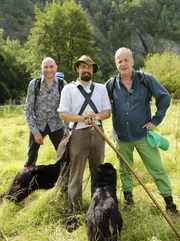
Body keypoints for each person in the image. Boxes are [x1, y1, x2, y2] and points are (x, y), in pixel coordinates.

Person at [106, 47, 178, 214]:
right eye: (120, 61)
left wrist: (155, 120)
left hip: (143, 135)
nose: (123, 64)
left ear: (132, 61)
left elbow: (165, 97)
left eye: (126, 60)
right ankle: (128, 199)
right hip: (122, 136)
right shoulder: (110, 84)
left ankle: (170, 203)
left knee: (157, 168)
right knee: (125, 169)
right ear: (116, 64)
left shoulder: (146, 79)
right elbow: (97, 99)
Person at [58, 55, 111, 213]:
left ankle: (97, 209)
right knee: (76, 174)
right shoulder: (68, 89)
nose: (86, 69)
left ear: (92, 70)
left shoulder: (101, 88)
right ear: (77, 69)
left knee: (98, 172)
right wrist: (83, 118)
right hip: (78, 133)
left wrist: (95, 116)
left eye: (89, 67)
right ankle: (74, 212)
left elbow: (107, 112)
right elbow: (63, 114)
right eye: (83, 67)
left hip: (98, 133)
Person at [24, 57, 68, 167]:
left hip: (57, 126)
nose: (49, 70)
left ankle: (64, 183)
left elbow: (68, 109)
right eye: (46, 67)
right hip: (38, 125)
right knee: (31, 159)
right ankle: (25, 183)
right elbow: (28, 109)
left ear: (56, 68)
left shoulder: (63, 85)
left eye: (51, 67)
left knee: (65, 158)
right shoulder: (34, 84)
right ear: (41, 68)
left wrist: (66, 133)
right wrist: (35, 132)